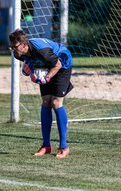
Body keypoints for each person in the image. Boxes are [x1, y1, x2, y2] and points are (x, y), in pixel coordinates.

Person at [9, 29, 73, 159]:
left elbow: (57, 64)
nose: (13, 50)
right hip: (45, 66)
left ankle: (63, 147)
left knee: (56, 102)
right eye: (11, 47)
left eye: (15, 47)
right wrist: (29, 70)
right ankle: (46, 146)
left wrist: (47, 78)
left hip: (62, 65)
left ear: (24, 44)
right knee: (45, 102)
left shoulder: (42, 50)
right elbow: (30, 63)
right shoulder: (17, 54)